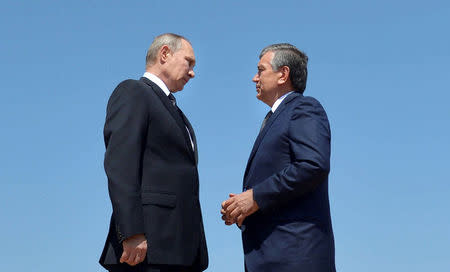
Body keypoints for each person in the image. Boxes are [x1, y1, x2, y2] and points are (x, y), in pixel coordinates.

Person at [221, 43, 335, 271]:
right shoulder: (275, 118)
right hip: (271, 257)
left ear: (283, 74)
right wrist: (243, 208)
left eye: (261, 70)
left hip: (295, 257)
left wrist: (255, 197)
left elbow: (312, 165)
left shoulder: (303, 108)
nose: (255, 78)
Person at [99, 33, 208, 272]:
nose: (192, 72)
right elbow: (121, 164)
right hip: (147, 248)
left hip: (180, 250)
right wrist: (131, 231)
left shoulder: (176, 112)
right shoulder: (133, 92)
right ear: (165, 54)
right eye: (189, 62)